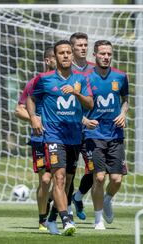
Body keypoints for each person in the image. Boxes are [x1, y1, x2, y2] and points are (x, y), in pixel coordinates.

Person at [27, 40, 93, 236]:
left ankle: (52, 218)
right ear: (55, 57)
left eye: (68, 52)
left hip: (74, 136)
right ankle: (66, 219)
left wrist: (76, 92)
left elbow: (89, 104)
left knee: (68, 180)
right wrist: (34, 118)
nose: (65, 56)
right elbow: (30, 98)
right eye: (61, 53)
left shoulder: (81, 79)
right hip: (53, 136)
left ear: (72, 56)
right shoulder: (44, 79)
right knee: (59, 178)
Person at [84, 40, 129, 230]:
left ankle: (108, 199)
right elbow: (75, 106)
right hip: (93, 135)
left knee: (117, 179)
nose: (106, 57)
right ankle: (97, 220)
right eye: (102, 53)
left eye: (109, 54)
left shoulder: (120, 76)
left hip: (116, 134)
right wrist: (84, 121)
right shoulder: (84, 78)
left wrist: (123, 113)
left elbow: (125, 99)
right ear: (94, 55)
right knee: (99, 177)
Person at [15, 46, 56, 231]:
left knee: (61, 179)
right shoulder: (35, 82)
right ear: (48, 60)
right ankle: (42, 219)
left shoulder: (69, 82)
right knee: (45, 181)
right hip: (40, 139)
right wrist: (34, 118)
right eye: (57, 57)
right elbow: (19, 109)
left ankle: (61, 213)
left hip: (61, 138)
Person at [69, 32, 96, 221]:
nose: (83, 48)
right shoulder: (64, 71)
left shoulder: (96, 69)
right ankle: (67, 211)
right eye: (79, 45)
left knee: (96, 169)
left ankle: (77, 197)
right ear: (71, 48)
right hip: (70, 128)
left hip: (93, 130)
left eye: (85, 44)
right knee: (68, 171)